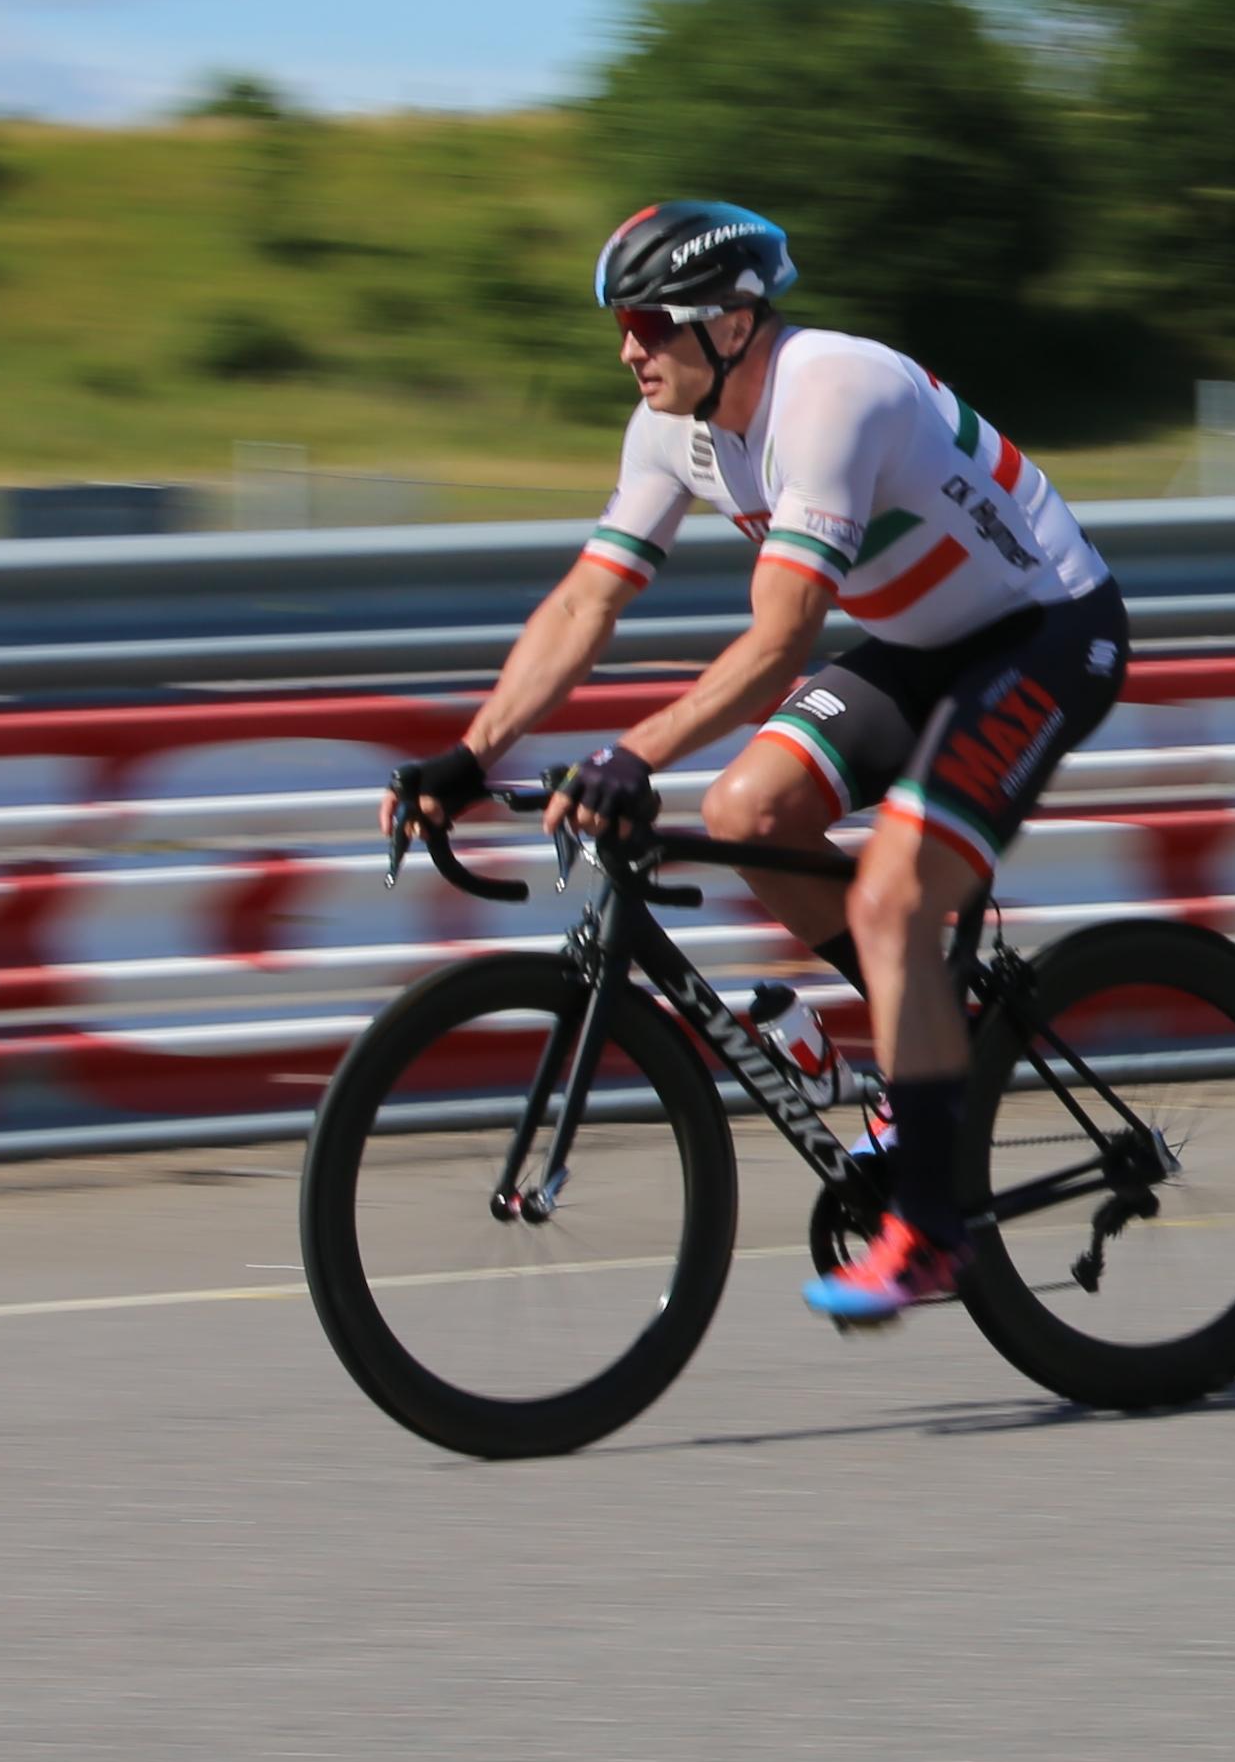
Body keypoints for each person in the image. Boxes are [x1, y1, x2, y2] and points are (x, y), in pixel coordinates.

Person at [379, 199, 1128, 1329]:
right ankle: (932, 1033)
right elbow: (586, 602)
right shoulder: (670, 427)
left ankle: (931, 1231)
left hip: (1046, 633)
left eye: (647, 323)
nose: (627, 349)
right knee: (746, 813)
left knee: (890, 895)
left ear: (730, 323)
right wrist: (470, 753)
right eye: (620, 325)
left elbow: (781, 642)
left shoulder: (830, 392)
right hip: (923, 645)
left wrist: (633, 752)